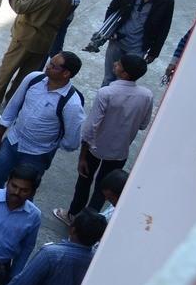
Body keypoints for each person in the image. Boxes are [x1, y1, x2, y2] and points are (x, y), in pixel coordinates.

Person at [61, 54, 153, 225]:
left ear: (124, 73)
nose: (115, 63)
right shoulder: (146, 95)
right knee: (103, 189)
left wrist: (82, 155)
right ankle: (87, 223)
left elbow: (90, 127)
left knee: (84, 181)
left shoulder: (106, 92)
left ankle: (73, 214)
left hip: (95, 148)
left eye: (119, 64)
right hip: (120, 151)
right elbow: (143, 124)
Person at [0, 53, 84, 188]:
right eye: (50, 62)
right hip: (12, 141)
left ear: (66, 73)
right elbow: (13, 107)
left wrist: (49, 145)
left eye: (53, 66)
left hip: (37, 155)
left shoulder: (72, 104)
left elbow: (71, 142)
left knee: (23, 192)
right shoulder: (34, 78)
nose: (47, 66)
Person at [0, 0, 74, 103]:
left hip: (25, 37)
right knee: (27, 73)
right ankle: (13, 99)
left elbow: (19, 7)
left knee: (8, 68)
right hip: (45, 41)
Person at [93, 0, 175, 86]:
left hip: (138, 47)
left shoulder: (166, 1)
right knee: (109, 77)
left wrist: (154, 52)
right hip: (117, 42)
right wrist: (109, 31)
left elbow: (164, 28)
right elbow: (112, 9)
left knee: (125, 82)